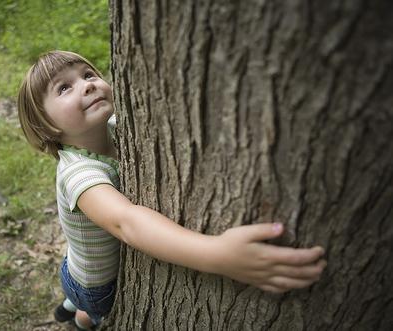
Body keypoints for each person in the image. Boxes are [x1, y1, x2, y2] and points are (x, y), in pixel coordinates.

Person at [17, 50, 327, 330]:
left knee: (76, 289)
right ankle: (81, 316)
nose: (88, 85)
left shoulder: (113, 125)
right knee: (91, 310)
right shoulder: (78, 174)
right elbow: (127, 221)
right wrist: (217, 253)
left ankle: (69, 308)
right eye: (64, 88)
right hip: (96, 286)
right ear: (46, 126)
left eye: (88, 74)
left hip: (77, 259)